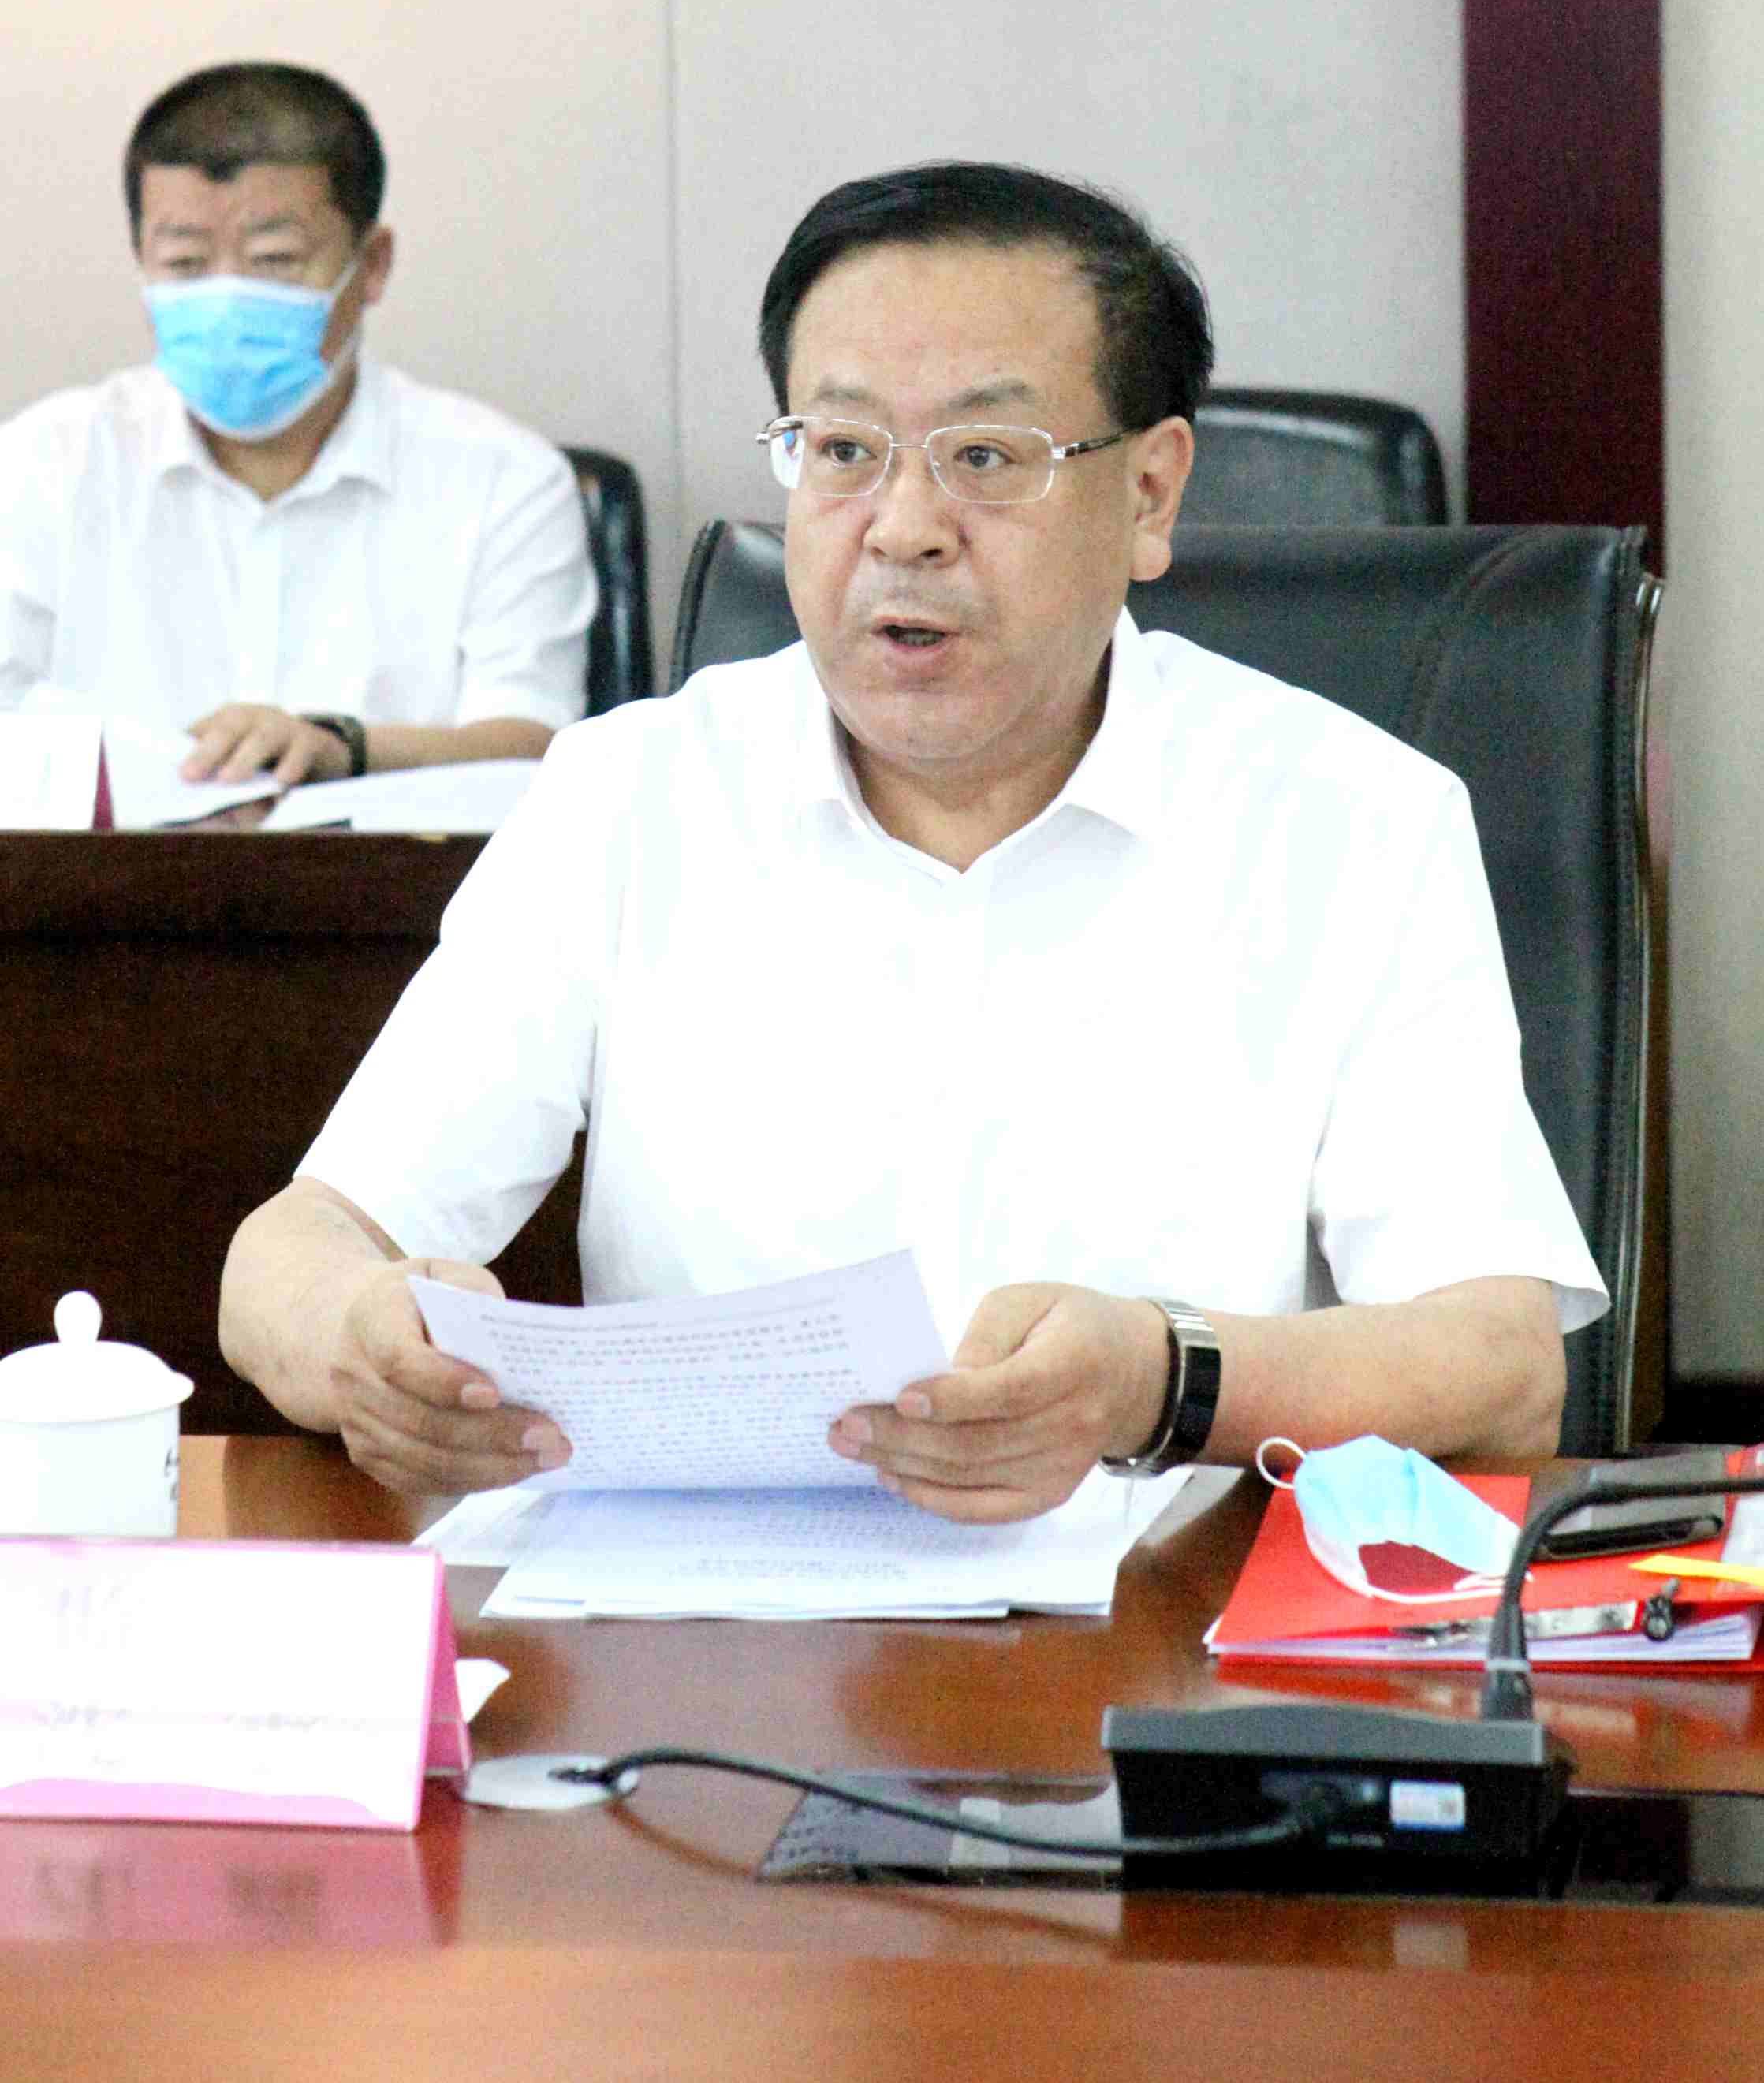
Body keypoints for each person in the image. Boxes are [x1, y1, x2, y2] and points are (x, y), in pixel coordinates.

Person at [220, 160, 1605, 1511]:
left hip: (1167, 1620)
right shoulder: (624, 797)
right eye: (841, 452)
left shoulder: (1351, 816)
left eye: (985, 458)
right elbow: (292, 1251)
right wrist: (358, 1338)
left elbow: (1498, 1365)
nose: (902, 528)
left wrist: (1157, 1380)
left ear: (1149, 492)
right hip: (708, 1630)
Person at [0, 62, 594, 785]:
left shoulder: (503, 479)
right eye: (184, 262)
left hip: (400, 861)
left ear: (372, 265)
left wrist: (341, 749)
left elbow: (536, 748)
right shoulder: (39, 465)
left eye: (274, 259)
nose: (227, 298)